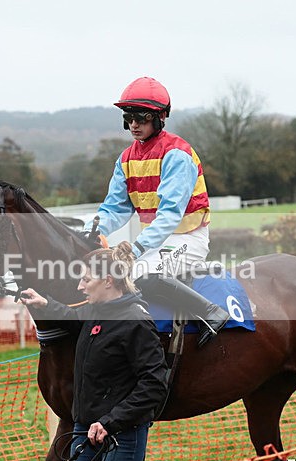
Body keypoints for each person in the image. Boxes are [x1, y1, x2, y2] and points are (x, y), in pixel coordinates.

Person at [20, 242, 167, 461]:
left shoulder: (135, 321)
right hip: (83, 432)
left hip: (121, 435)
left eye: (86, 279)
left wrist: (110, 422)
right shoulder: (96, 311)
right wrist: (45, 304)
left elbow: (155, 384)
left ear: (108, 281)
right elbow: (73, 317)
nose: (80, 286)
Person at [84, 76, 229, 348]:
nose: (134, 124)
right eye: (129, 117)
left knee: (139, 275)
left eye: (141, 117)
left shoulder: (177, 154)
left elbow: (170, 215)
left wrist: (136, 249)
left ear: (160, 118)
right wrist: (92, 231)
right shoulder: (126, 158)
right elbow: (114, 208)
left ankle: (211, 312)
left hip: (187, 238)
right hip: (155, 241)